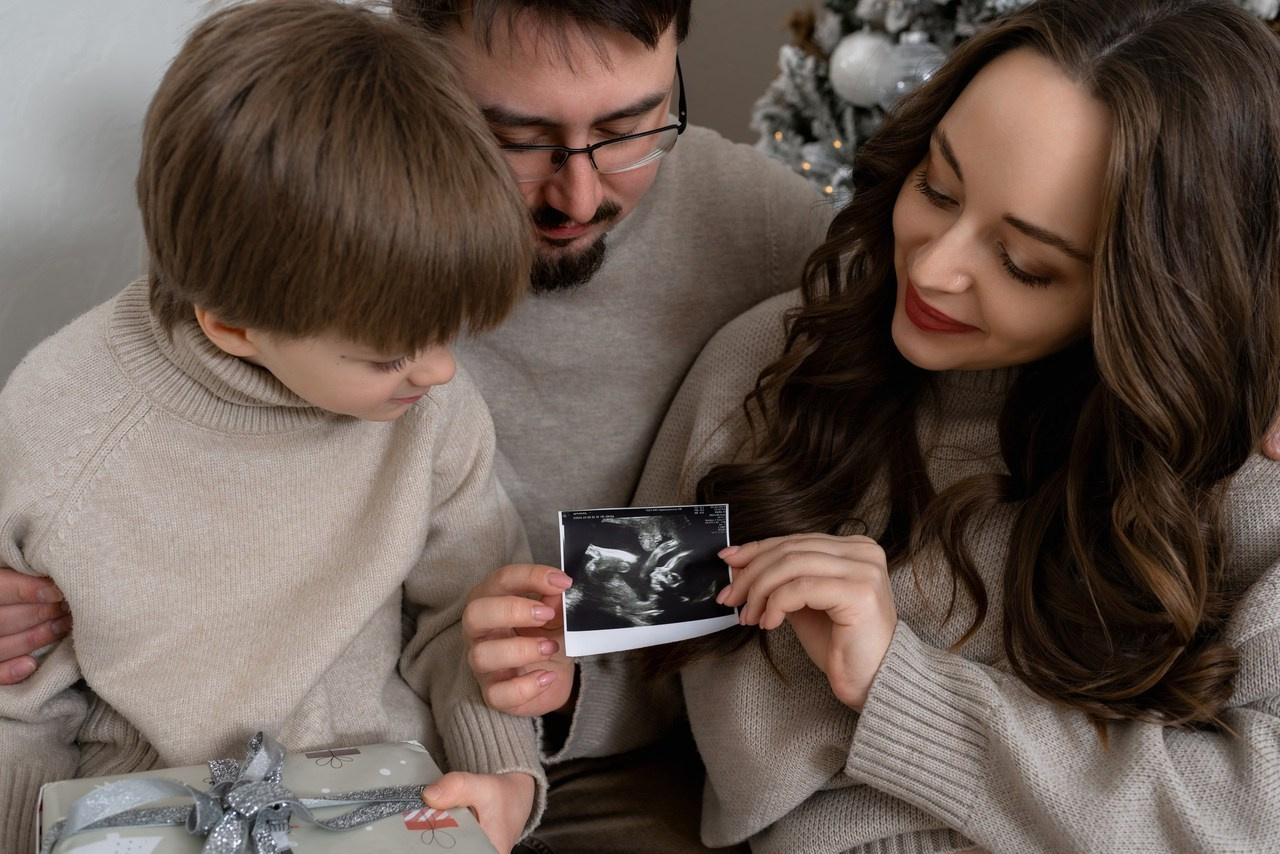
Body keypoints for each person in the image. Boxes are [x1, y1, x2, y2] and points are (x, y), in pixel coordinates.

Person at [468, 0, 1280, 850]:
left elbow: (1255, 810)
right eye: (937, 187)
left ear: (1154, 293)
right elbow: (641, 655)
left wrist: (900, 688)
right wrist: (558, 681)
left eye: (1024, 263)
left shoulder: (1245, 463)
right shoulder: (777, 363)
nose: (933, 267)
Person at [0, 3, 545, 852]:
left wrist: (506, 777)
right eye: (390, 355)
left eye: (449, 337)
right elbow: (22, 704)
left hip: (391, 803)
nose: (439, 372)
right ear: (232, 327)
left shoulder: (429, 412)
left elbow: (467, 618)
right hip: (150, 817)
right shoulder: (62, 428)